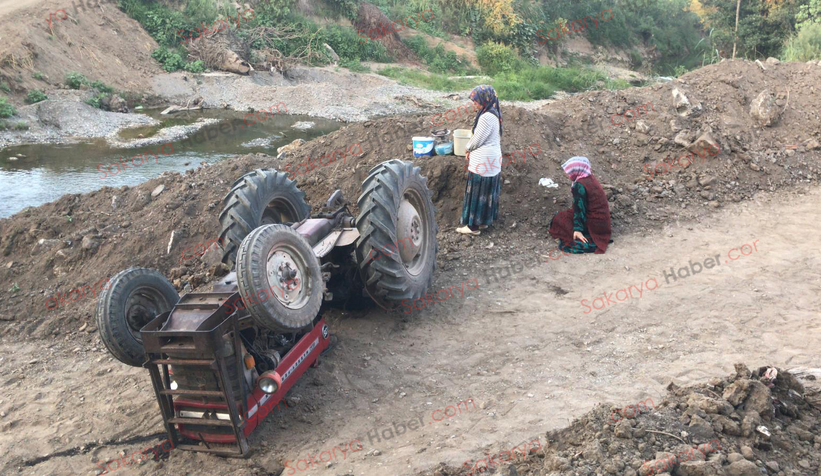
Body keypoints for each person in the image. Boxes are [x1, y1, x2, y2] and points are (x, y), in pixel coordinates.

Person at [457, 85, 503, 236]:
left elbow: (477, 139)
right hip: (491, 161)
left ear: (485, 99)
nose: (474, 103)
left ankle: (473, 227)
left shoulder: (486, 117)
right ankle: (483, 222)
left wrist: (467, 148)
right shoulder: (492, 113)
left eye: (476, 100)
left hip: (484, 162)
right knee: (487, 192)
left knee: (477, 192)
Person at [548, 157, 612, 253]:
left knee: (559, 219)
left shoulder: (580, 185)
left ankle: (587, 237)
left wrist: (578, 229)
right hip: (602, 224)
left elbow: (580, 209)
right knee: (564, 216)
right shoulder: (589, 178)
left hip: (592, 223)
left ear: (576, 170)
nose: (567, 175)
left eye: (569, 171)